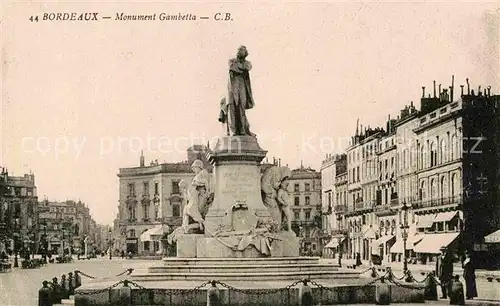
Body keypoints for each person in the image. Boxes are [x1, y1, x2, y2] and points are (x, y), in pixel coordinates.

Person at [219, 45, 255, 136]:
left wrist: (241, 67)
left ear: (245, 53)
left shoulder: (247, 63)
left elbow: (248, 67)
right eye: (238, 50)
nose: (238, 52)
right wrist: (242, 68)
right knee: (232, 109)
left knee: (241, 109)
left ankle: (242, 130)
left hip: (242, 87)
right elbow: (233, 67)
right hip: (232, 89)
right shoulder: (232, 61)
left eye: (241, 50)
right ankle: (233, 131)